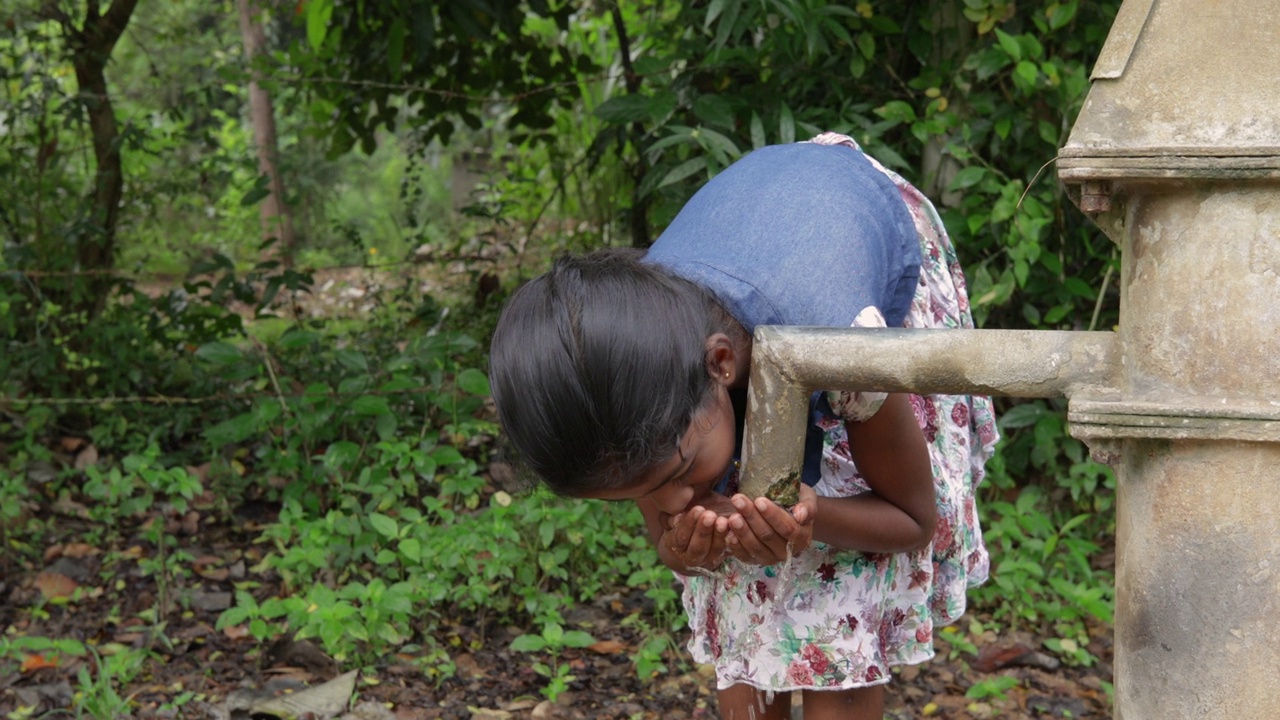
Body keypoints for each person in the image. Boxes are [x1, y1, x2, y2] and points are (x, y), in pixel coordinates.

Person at [489, 133, 998, 720]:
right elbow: (673, 518)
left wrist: (814, 517)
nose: (673, 500)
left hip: (852, 229)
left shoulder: (845, 342)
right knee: (737, 571)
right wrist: (684, 550)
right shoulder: (632, 390)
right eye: (642, 495)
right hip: (748, 249)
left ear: (721, 364)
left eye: (677, 474)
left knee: (842, 589)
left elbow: (912, 520)